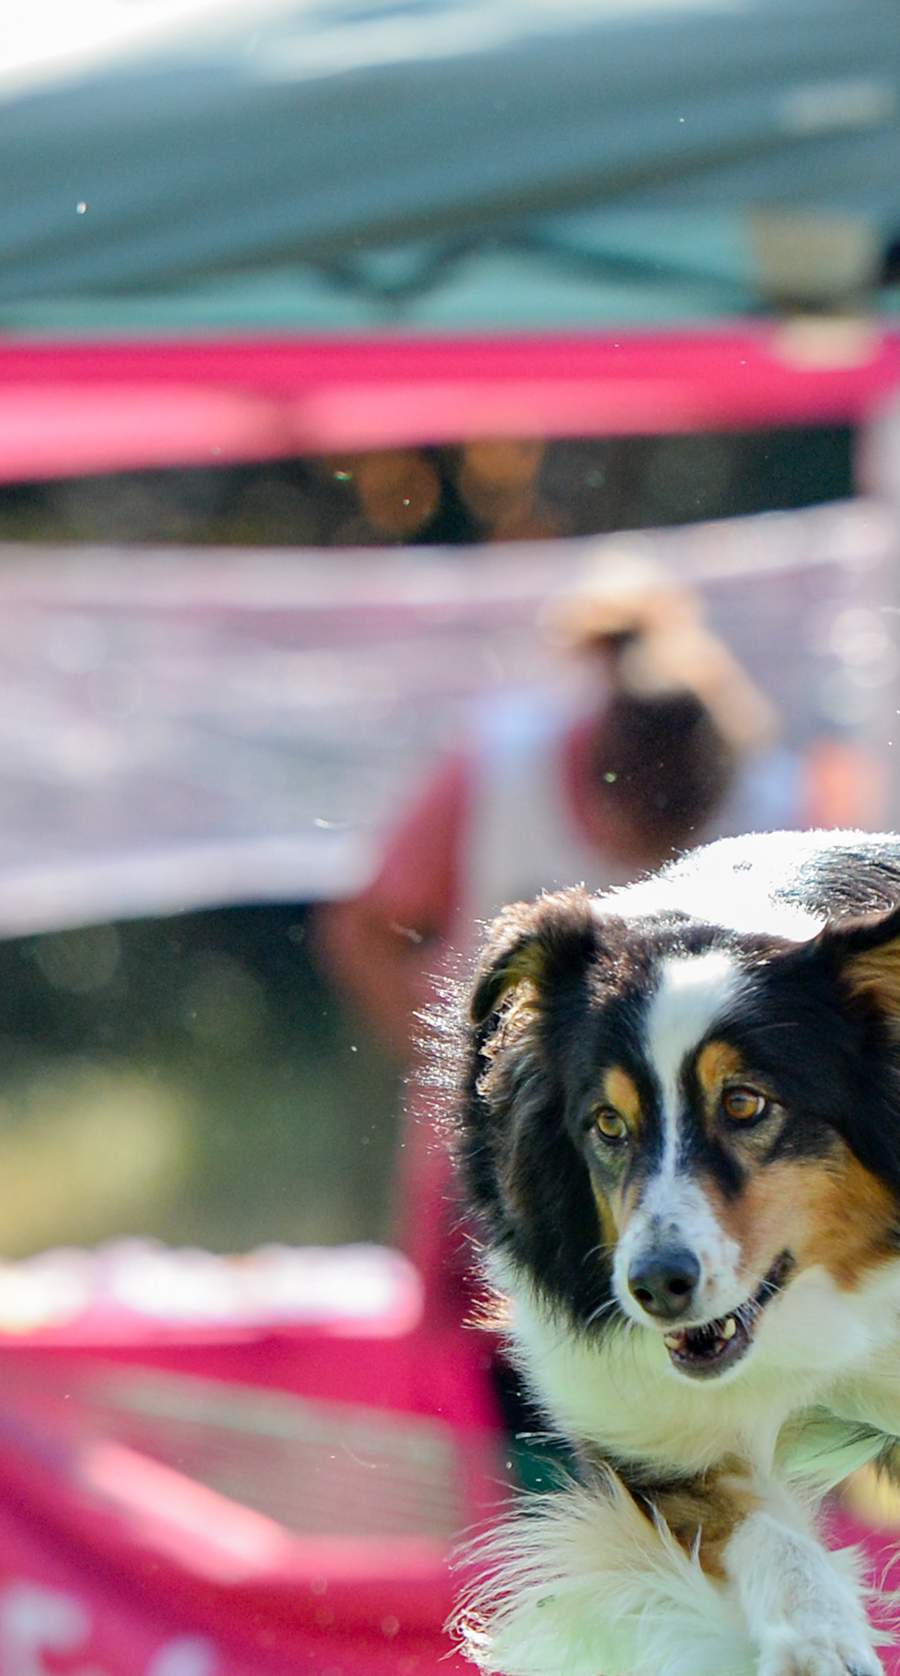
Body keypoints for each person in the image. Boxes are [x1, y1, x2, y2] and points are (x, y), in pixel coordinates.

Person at [318, 566, 781, 1376]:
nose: (644, 861)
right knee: (481, 1405)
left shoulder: (777, 807)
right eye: (633, 838)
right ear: (595, 771)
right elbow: (365, 928)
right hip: (490, 1181)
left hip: (708, 1187)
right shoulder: (499, 770)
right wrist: (460, 1067)